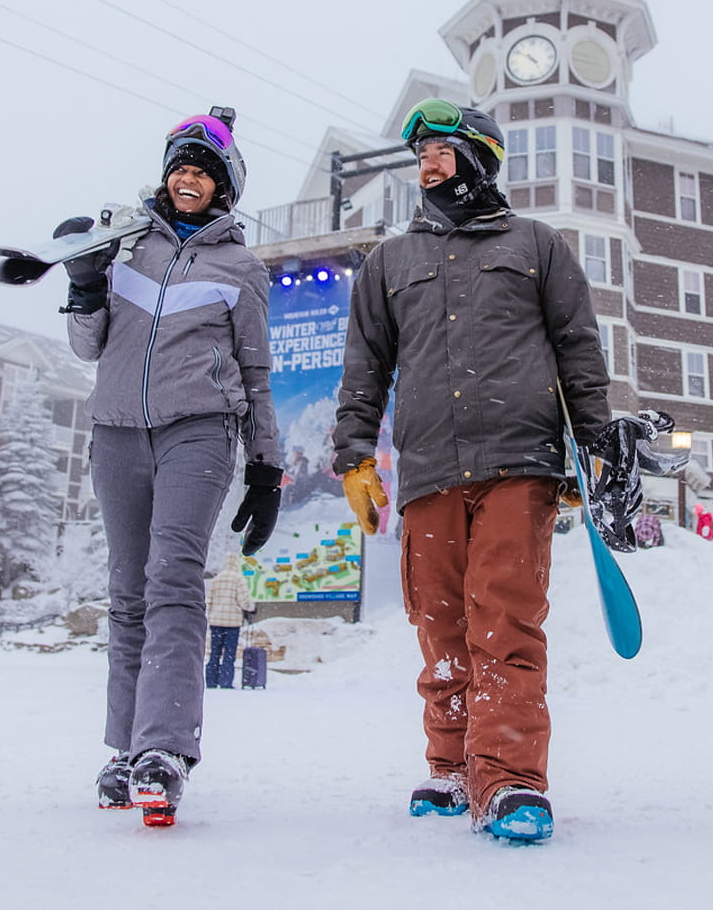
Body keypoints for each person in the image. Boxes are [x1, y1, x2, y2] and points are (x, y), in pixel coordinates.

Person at [332, 99, 622, 843]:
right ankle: (453, 764)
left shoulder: (537, 245)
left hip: (519, 460)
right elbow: (364, 368)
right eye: (419, 153)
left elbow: (578, 350)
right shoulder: (389, 263)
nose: (426, 163)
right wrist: (354, 454)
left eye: (439, 149)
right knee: (440, 623)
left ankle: (512, 778)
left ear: (480, 157)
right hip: (429, 466)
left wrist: (593, 443)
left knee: (507, 620)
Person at [63, 110, 282, 826]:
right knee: (127, 593)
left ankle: (164, 750)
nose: (188, 177)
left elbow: (256, 371)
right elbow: (86, 347)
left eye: (204, 171)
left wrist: (266, 466)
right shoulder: (123, 245)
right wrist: (86, 284)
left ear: (224, 189)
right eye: (179, 166)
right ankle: (125, 750)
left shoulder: (240, 269)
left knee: (174, 581)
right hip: (117, 431)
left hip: (200, 432)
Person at [205, 556, 258, 688]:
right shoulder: (238, 579)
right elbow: (244, 601)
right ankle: (225, 681)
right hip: (232, 623)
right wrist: (252, 608)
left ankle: (211, 681)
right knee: (229, 654)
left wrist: (210, 616)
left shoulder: (216, 580)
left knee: (214, 652)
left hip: (216, 622)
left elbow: (209, 601)